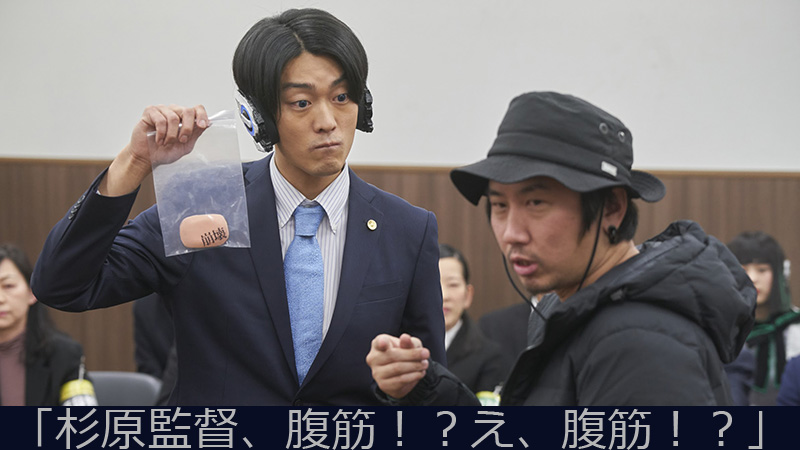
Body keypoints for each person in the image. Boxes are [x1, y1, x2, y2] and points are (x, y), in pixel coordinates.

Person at [31, 8, 445, 406]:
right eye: (301, 102)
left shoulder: (408, 230)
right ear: (259, 116)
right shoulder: (204, 204)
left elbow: (433, 390)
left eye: (342, 97)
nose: (327, 121)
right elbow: (62, 285)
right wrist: (133, 163)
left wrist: (405, 387)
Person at [366, 91, 756, 406]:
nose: (511, 233)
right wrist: (422, 387)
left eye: (536, 203)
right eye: (499, 206)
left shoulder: (640, 343)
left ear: (612, 207)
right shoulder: (566, 307)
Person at [0, 244, 92, 406]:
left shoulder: (65, 354)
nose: (1, 299)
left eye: (8, 286)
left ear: (31, 293)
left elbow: (82, 418)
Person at [727, 231, 800, 405]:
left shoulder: (795, 326)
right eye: (743, 270)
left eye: (762, 270)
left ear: (780, 273)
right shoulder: (723, 329)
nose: (753, 278)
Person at [439, 244, 511, 394]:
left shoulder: (489, 356)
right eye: (433, 285)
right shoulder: (399, 344)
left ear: (468, 295)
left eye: (453, 284)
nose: (444, 296)